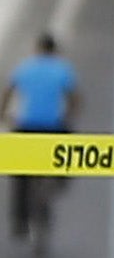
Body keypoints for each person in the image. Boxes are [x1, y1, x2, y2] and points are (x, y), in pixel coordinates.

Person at [5, 33, 79, 243]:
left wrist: (5, 117)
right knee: (70, 149)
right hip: (52, 128)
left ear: (37, 48)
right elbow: (74, 99)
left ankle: (20, 221)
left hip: (26, 127)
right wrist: (68, 117)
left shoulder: (25, 68)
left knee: (19, 175)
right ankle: (61, 180)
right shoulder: (62, 70)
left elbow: (8, 94)